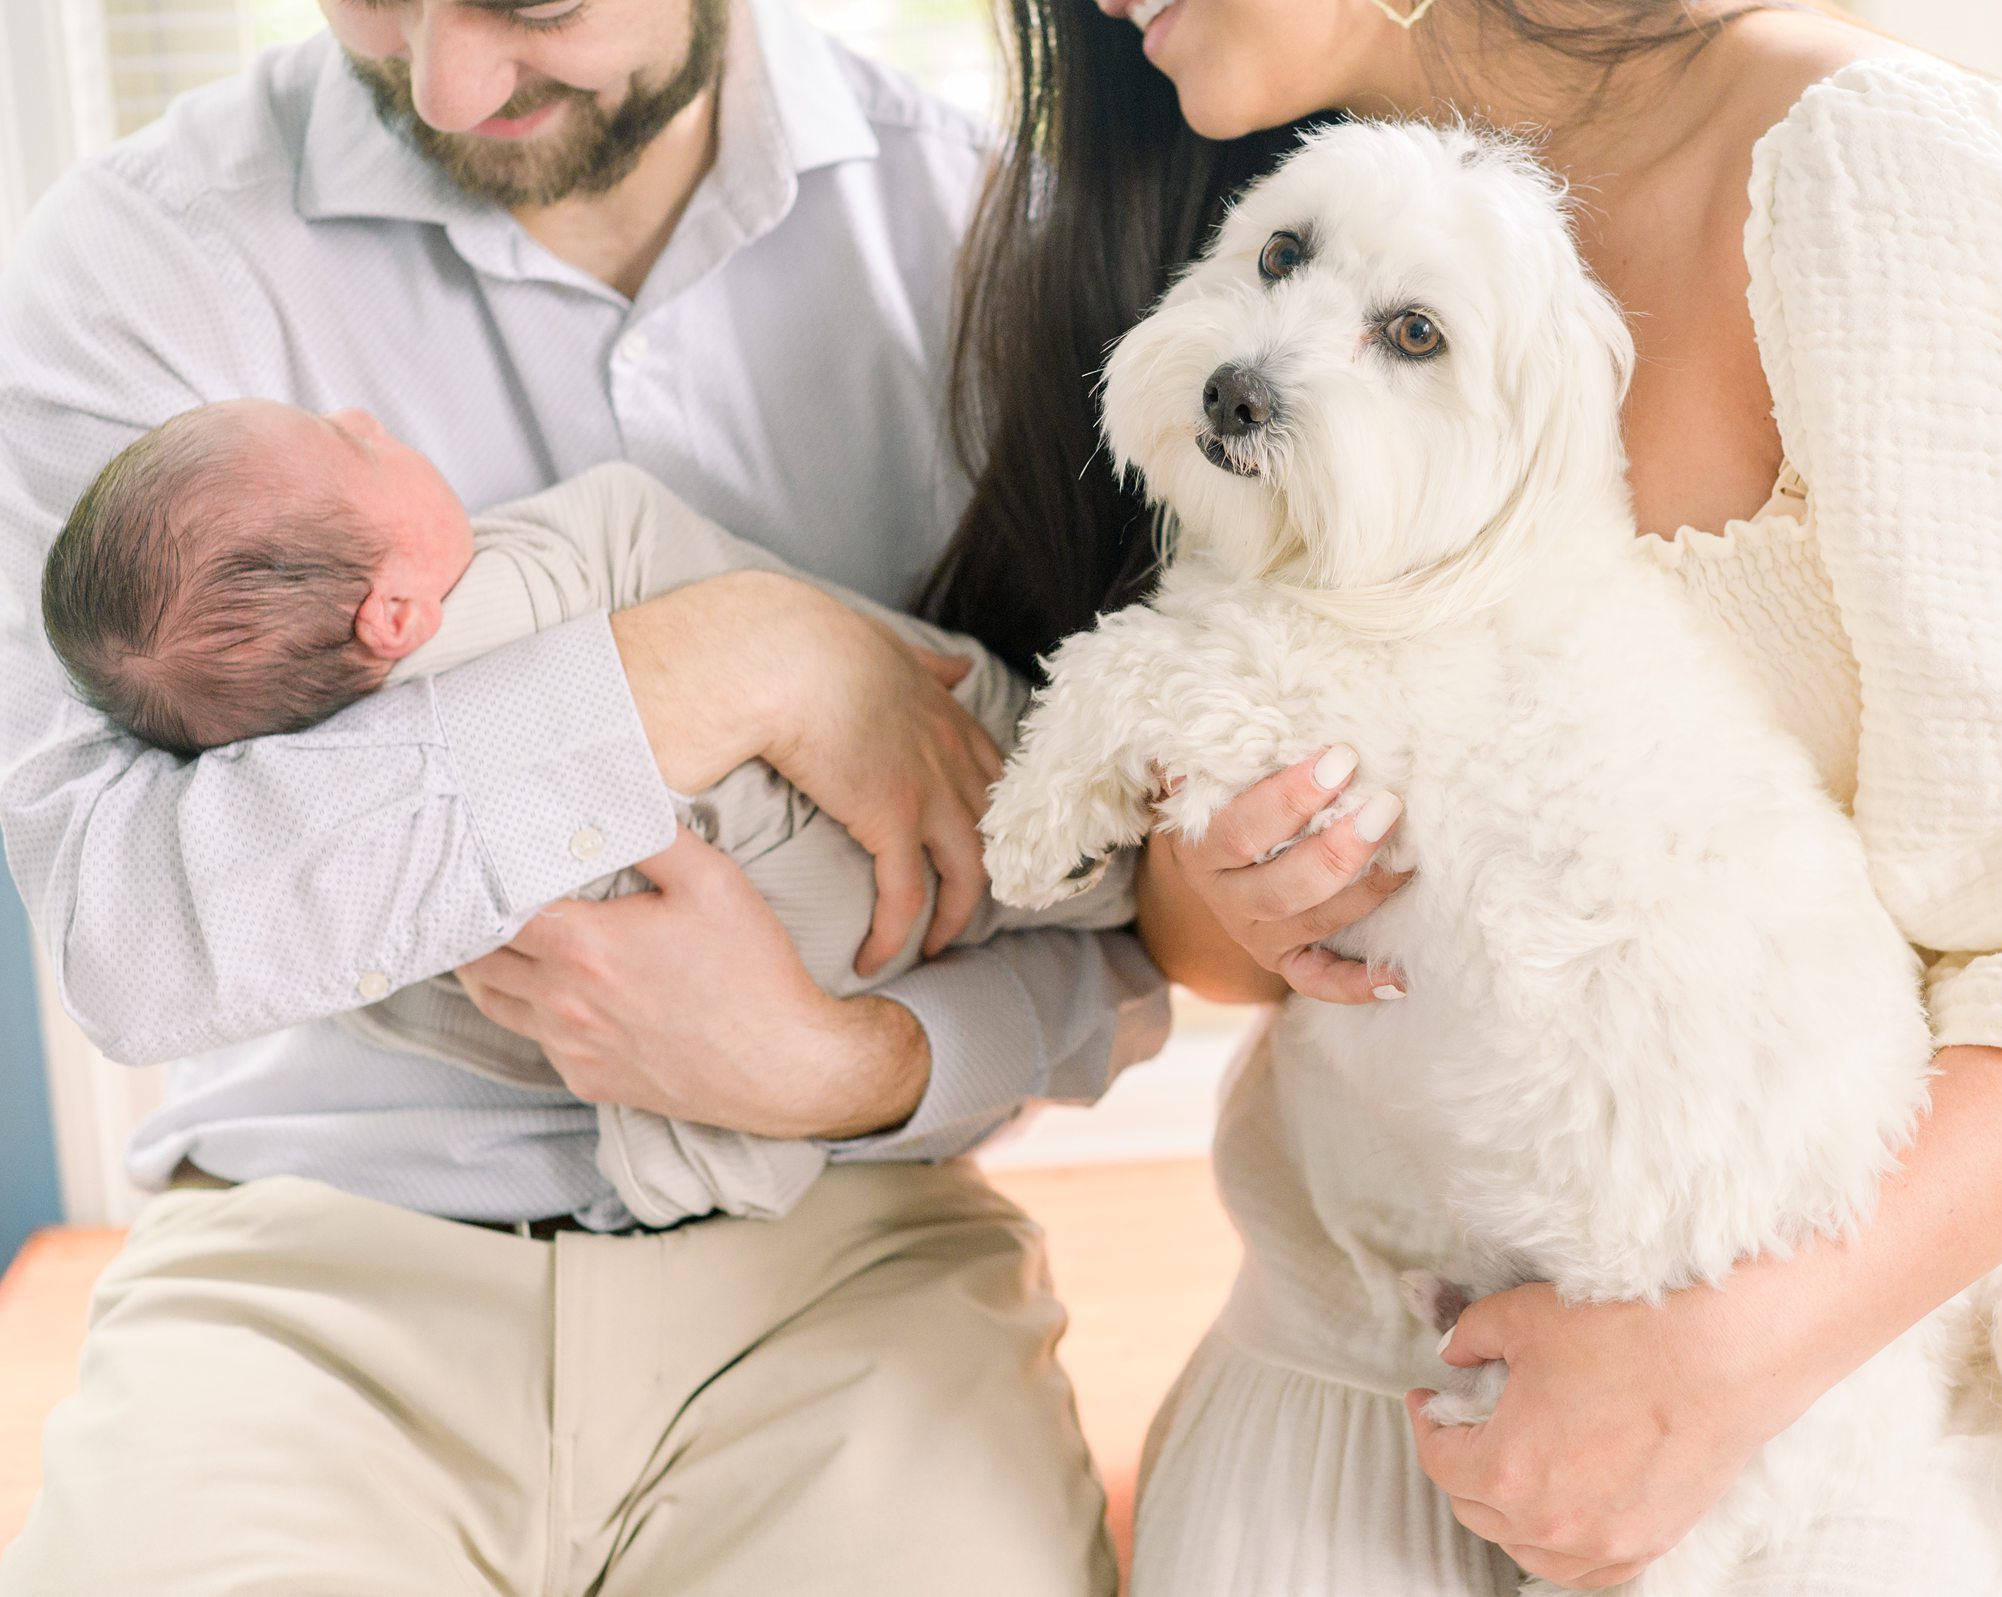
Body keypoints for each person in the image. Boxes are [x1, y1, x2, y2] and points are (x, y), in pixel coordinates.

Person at [917, 0, 2002, 1591]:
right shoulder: (1278, 216)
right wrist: (1249, 873)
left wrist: (1717, 1363)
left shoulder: (1871, 174)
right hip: (1362, 1366)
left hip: (1863, 1410)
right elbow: (1201, 944)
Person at [0, 1, 1165, 1591]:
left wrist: (845, 1064)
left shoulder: (991, 242)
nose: (446, 81)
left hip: (846, 1266)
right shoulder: (143, 268)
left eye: (532, 2)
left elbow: (1124, 891)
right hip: (312, 1267)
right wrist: (725, 660)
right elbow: (135, 933)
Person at [39, 398, 1139, 1228]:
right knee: (1027, 796)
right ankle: (1108, 850)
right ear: (394, 616)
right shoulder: (531, 569)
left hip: (792, 1048)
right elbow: (125, 952)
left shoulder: (312, 818)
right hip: (809, 897)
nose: (367, 415)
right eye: (355, 447)